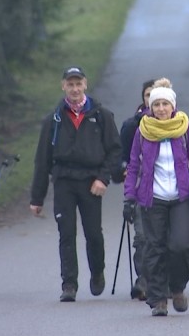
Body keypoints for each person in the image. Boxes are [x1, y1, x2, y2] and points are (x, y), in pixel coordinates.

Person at [29, 66, 122, 302]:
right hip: (64, 183)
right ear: (63, 86)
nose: (74, 89)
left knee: (93, 233)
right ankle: (69, 283)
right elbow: (42, 159)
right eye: (70, 84)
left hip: (91, 182)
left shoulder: (101, 116)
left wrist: (103, 178)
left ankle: (97, 272)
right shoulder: (54, 119)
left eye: (78, 83)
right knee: (66, 233)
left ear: (85, 85)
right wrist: (36, 198)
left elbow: (114, 151)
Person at [123, 78, 189, 316]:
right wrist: (129, 196)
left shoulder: (184, 128)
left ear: (173, 106)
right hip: (153, 198)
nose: (160, 109)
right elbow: (133, 166)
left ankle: (178, 286)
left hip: (181, 197)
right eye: (156, 104)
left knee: (180, 246)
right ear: (150, 107)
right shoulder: (143, 131)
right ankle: (158, 298)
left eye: (164, 104)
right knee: (154, 248)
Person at [115, 78, 156, 301]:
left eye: (156, 95)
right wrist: (123, 170)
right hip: (140, 188)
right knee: (141, 237)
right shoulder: (131, 126)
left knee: (162, 237)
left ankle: (160, 279)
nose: (152, 99)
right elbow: (121, 158)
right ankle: (143, 281)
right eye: (148, 94)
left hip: (167, 190)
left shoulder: (178, 124)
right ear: (143, 97)